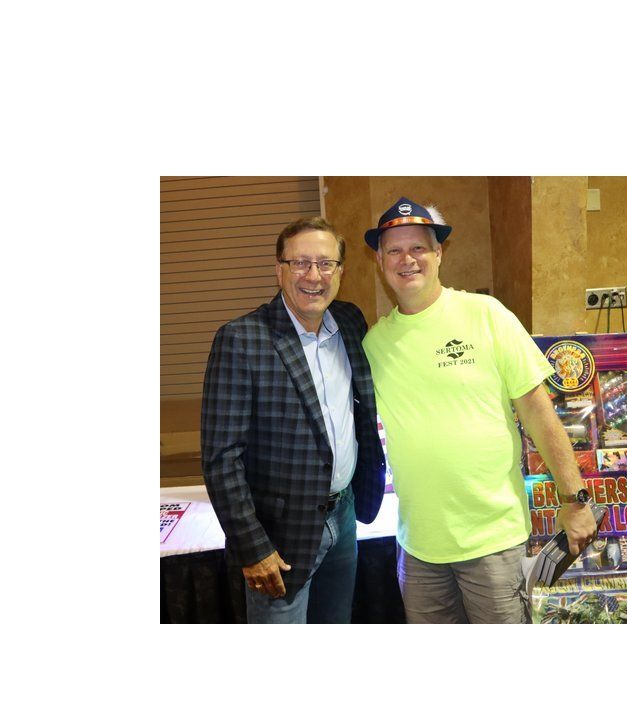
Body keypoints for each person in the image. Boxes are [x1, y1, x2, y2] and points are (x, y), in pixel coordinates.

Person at [362, 197, 598, 624]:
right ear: (379, 260)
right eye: (393, 250)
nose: (406, 259)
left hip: (492, 541)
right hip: (418, 547)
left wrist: (575, 500)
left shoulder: (485, 315)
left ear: (438, 253)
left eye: (418, 247)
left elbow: (539, 413)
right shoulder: (374, 345)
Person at [201, 217, 385, 623]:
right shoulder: (242, 339)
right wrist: (253, 548)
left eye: (326, 264)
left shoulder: (350, 323)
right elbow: (221, 458)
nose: (313, 276)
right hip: (279, 538)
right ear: (279, 270)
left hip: (345, 517)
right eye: (300, 263)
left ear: (341, 272)